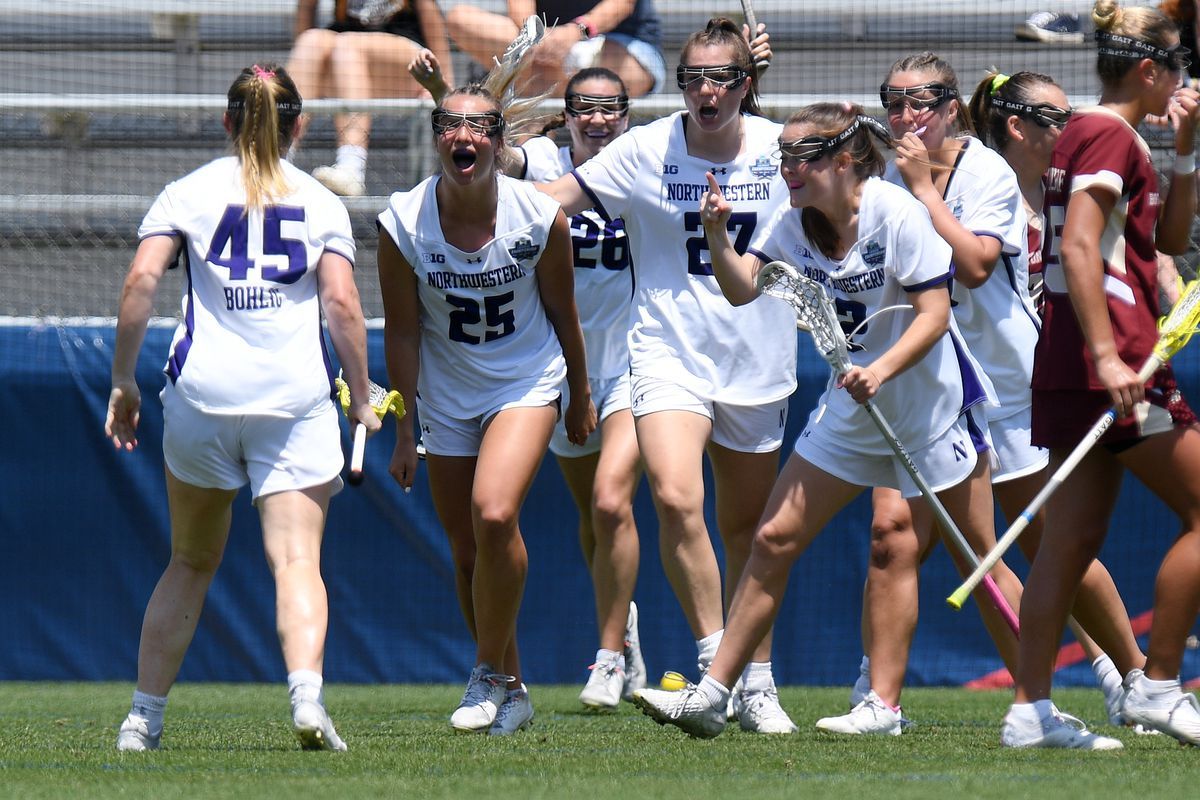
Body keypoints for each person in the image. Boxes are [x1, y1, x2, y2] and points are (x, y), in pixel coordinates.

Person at [629, 101, 996, 740]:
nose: (786, 166)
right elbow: (744, 286)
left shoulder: (896, 211)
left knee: (983, 558)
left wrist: (881, 371)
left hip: (929, 407)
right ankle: (716, 694)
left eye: (801, 156)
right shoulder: (794, 220)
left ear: (844, 160)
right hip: (852, 407)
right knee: (773, 539)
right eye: (784, 155)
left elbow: (936, 316)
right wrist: (718, 235)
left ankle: (1039, 706)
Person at [816, 56, 1146, 737]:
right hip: (928, 389)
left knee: (1050, 544)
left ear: (953, 107)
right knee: (894, 538)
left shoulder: (985, 171)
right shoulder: (881, 178)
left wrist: (921, 191)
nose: (907, 116)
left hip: (1007, 389)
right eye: (894, 102)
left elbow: (971, 264)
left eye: (922, 102)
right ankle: (879, 696)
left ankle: (1132, 676)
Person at [106, 63, 379, 753]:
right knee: (295, 562)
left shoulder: (188, 192)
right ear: (300, 126)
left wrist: (123, 382)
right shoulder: (320, 202)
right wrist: (363, 391)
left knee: (191, 560)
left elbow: (141, 280)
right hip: (292, 401)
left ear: (228, 122)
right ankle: (308, 700)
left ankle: (144, 717)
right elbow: (343, 304)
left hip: (203, 396)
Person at [538, 17, 799, 734]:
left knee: (748, 529)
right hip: (667, 353)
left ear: (746, 83)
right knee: (677, 498)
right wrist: (475, 199)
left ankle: (759, 683)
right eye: (691, 78)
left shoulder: (781, 150)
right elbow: (554, 198)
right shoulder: (644, 149)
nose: (703, 90)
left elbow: (851, 197)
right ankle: (715, 669)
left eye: (720, 77)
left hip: (757, 357)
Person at [1003, 0, 1200, 750]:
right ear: (1149, 69)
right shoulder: (1105, 136)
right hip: (1109, 363)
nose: (1183, 79)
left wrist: (1185, 145)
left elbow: (1173, 239)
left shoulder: (1111, 139)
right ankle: (1156, 684)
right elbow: (1082, 248)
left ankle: (1028, 712)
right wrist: (1110, 355)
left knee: (1068, 542)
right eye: (1176, 66)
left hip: (1075, 366)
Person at [377, 72, 596, 735]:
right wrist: (403, 426)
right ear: (436, 139)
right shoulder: (402, 222)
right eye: (449, 125)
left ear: (501, 144)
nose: (462, 136)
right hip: (446, 394)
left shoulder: (537, 215)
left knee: (495, 511)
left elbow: (564, 312)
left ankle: (486, 674)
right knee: (468, 551)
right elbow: (404, 328)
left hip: (525, 381)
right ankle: (517, 689)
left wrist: (580, 392)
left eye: (477, 126)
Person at [516, 69, 648, 709]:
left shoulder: (647, 160)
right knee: (590, 520)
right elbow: (493, 153)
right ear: (566, 115)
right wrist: (441, 100)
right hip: (564, 365)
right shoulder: (542, 160)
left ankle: (608, 658)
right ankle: (623, 624)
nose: (597, 119)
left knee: (609, 502)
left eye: (609, 108)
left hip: (635, 362)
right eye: (584, 108)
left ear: (628, 114)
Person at [286, 0, 456, 196]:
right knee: (310, 40)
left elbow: (428, 9)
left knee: (346, 45)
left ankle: (351, 167)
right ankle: (278, 157)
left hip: (403, 51)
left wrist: (441, 84)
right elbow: (306, 5)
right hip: (345, 56)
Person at [445, 0, 666, 97]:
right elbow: (521, 8)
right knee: (461, 19)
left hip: (621, 47)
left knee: (533, 76)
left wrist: (574, 32)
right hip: (541, 44)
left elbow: (622, 4)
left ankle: (534, 159)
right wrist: (538, 38)